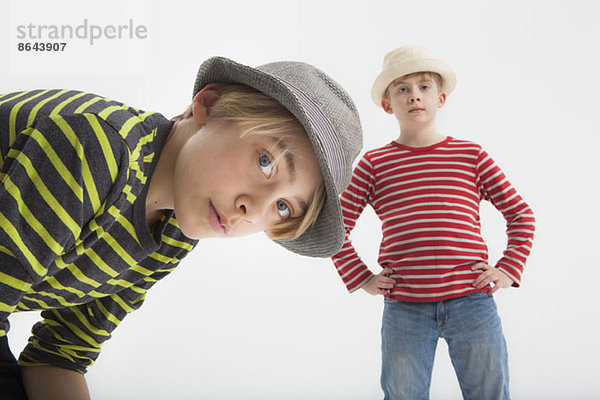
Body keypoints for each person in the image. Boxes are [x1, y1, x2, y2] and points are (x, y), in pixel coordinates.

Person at [0, 56, 363, 400]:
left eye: (283, 208)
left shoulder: (172, 234)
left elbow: (58, 356)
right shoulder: (97, 147)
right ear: (210, 104)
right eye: (266, 162)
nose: (251, 211)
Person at [331, 45, 535, 400]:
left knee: (489, 392)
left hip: (472, 301)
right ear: (387, 104)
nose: (414, 96)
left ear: (440, 99)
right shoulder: (374, 165)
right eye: (403, 89)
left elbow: (521, 215)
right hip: (405, 308)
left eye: (424, 87)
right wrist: (362, 277)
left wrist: (507, 268)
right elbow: (335, 228)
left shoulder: (471, 156)